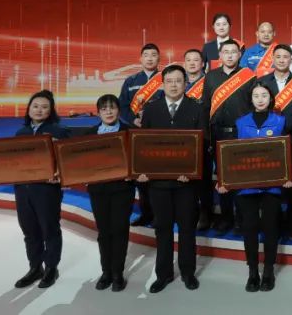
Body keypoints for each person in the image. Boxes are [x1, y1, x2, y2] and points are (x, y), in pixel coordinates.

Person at [139, 65, 207, 293]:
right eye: (169, 81)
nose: (174, 85)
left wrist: (192, 171)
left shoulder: (197, 108)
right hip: (158, 183)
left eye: (179, 81)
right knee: (163, 228)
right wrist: (143, 171)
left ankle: (188, 273)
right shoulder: (151, 109)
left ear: (186, 83)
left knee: (187, 228)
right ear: (162, 84)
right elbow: (143, 145)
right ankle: (164, 274)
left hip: (186, 183)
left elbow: (203, 143)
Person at [223, 82, 292, 292]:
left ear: (270, 99)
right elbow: (231, 154)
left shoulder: (280, 121)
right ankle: (253, 272)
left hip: (272, 185)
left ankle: (268, 271)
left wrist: (288, 176)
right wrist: (227, 180)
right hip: (247, 186)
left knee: (271, 228)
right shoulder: (240, 122)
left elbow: (286, 152)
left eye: (264, 95)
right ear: (251, 99)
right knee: (250, 228)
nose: (260, 99)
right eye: (256, 95)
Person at [12, 90, 71, 289]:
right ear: (28, 109)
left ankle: (51, 268)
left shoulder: (59, 132)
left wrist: (60, 172)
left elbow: (67, 160)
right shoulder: (21, 133)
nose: (39, 110)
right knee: (29, 231)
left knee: (50, 229)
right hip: (23, 190)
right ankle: (35, 267)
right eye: (35, 106)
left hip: (46, 190)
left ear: (51, 110)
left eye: (44, 107)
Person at [202, 39, 257, 233]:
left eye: (234, 51)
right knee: (223, 178)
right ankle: (226, 218)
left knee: (241, 177)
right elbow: (206, 106)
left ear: (240, 54)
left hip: (240, 133)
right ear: (220, 55)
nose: (230, 55)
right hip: (217, 133)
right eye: (226, 51)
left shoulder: (248, 76)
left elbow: (254, 106)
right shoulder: (211, 77)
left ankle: (241, 219)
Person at [258, 43, 292, 240]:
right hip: (269, 140)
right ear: (272, 59)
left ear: (291, 60)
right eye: (277, 57)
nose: (281, 60)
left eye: (285, 57)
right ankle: (274, 226)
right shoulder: (262, 82)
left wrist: (282, 125)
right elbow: (257, 108)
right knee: (272, 185)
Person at [86, 94, 135, 292]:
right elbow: (81, 163)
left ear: (118, 111)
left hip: (122, 190)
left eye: (112, 108)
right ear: (98, 112)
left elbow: (138, 159)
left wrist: (133, 173)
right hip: (98, 190)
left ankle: (117, 273)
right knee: (104, 232)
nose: (108, 112)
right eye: (104, 108)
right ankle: (105, 272)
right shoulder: (89, 135)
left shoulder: (130, 133)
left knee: (119, 230)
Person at [118, 43, 160, 227]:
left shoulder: (165, 79)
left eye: (153, 55)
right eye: (146, 55)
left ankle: (159, 214)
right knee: (140, 176)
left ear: (159, 58)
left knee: (157, 175)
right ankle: (146, 214)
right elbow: (122, 106)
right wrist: (133, 120)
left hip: (158, 134)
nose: (150, 58)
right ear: (140, 59)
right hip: (136, 135)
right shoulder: (131, 81)